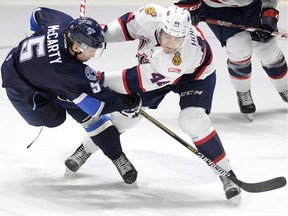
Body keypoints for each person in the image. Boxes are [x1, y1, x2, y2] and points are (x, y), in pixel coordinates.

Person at [65, 4, 242, 205]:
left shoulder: (177, 58)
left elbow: (132, 81)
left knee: (193, 121)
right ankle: (86, 149)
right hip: (154, 72)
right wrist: (89, 36)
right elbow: (120, 29)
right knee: (125, 119)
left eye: (177, 39)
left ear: (185, 35)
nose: (171, 43)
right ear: (161, 26)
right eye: (167, 36)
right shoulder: (148, 16)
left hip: (195, 76)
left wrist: (93, 78)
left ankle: (227, 174)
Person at [1, 7, 142, 184]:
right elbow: (98, 107)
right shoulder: (69, 72)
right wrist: (126, 102)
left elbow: (37, 14)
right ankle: (113, 151)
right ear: (76, 47)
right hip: (22, 90)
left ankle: (117, 156)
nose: (93, 55)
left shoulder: (63, 22)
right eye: (91, 50)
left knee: (71, 97)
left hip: (40, 74)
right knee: (56, 117)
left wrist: (39, 43)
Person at [174, 0, 288, 120]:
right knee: (239, 47)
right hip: (217, 9)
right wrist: (189, 4)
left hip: (252, 6)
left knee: (268, 50)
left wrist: (268, 11)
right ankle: (243, 91)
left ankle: (284, 87)